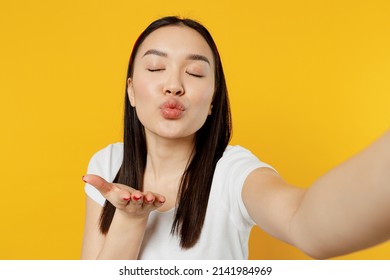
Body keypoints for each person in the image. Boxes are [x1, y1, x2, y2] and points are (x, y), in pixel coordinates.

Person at [81, 16, 390, 260]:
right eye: (156, 67)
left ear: (214, 99)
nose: (174, 85)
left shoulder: (233, 172)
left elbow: (303, 221)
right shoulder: (108, 164)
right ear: (131, 90)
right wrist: (131, 220)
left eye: (195, 73)